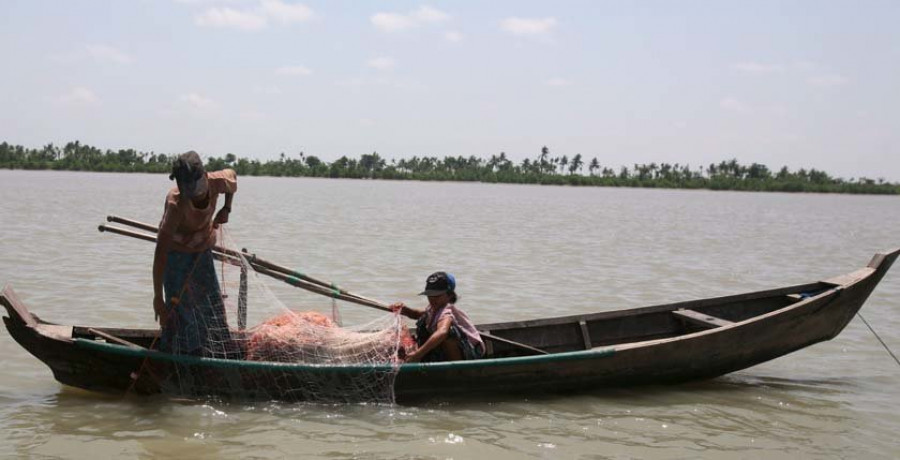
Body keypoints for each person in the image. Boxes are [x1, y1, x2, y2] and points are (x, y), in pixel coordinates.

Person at [152, 151, 237, 357]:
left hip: (202, 251)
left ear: (204, 176)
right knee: (181, 312)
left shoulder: (217, 182)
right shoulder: (176, 204)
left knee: (211, 305)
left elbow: (233, 178)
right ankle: (182, 357)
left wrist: (227, 207)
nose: (195, 193)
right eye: (188, 189)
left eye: (197, 186)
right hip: (176, 256)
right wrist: (157, 299)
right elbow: (160, 253)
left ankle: (216, 354)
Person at [391, 272, 485, 362]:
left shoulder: (446, 311)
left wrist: (418, 354)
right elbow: (417, 314)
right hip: (455, 349)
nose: (432, 299)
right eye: (430, 295)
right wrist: (405, 310)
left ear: (449, 296)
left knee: (449, 332)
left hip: (471, 353)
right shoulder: (433, 308)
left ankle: (456, 371)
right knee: (423, 321)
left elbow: (442, 332)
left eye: (437, 296)